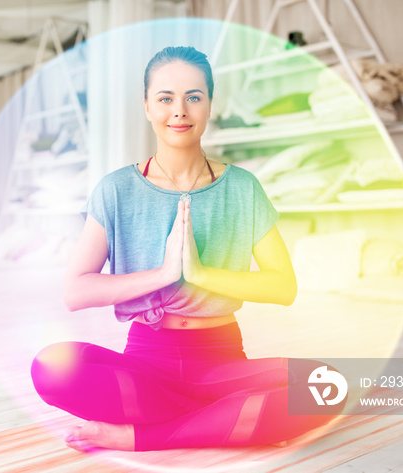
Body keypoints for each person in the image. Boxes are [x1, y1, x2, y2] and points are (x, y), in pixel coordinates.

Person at [30, 46, 345, 452]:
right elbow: (76, 292)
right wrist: (163, 274)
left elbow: (284, 287)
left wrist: (200, 274)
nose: (179, 110)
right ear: (147, 106)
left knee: (329, 386)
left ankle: (146, 433)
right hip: (146, 365)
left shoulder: (242, 187)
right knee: (50, 369)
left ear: (209, 105)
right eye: (165, 98)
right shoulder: (116, 190)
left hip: (222, 364)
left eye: (193, 97)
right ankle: (226, 417)